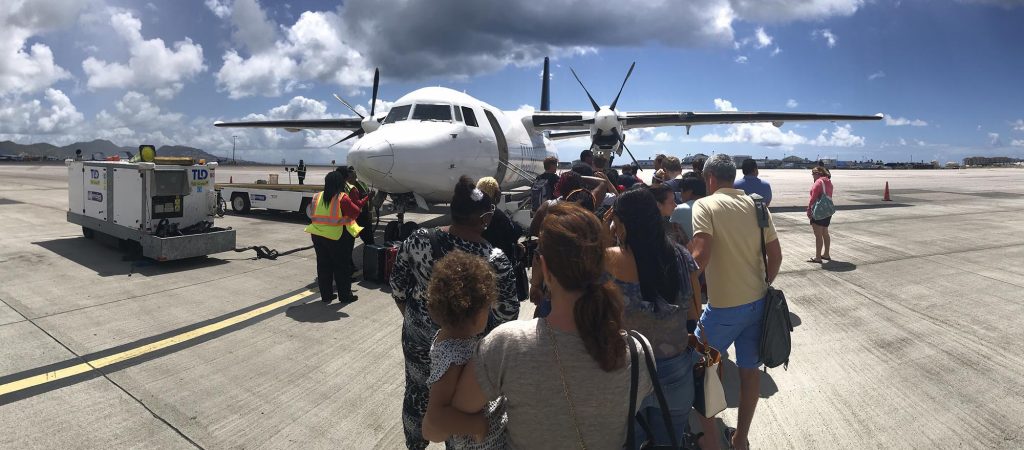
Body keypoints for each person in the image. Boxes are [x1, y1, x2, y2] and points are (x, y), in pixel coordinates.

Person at [450, 202, 652, 449]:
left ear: (545, 268)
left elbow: (459, 410)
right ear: (602, 261)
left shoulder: (506, 345)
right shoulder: (638, 351)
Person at [390, 176, 520, 450]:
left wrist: (419, 324)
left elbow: (398, 288)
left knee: (416, 393)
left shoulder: (419, 239)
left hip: (418, 341)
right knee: (459, 410)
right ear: (485, 218)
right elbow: (508, 315)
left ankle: (415, 445)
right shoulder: (495, 259)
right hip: (467, 353)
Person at [689, 154, 783, 450]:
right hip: (757, 304)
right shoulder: (757, 205)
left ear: (710, 179)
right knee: (749, 370)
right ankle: (740, 439)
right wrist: (763, 284)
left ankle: (711, 442)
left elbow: (699, 258)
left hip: (723, 310)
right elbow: (776, 255)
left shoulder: (705, 205)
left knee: (699, 367)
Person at [606, 188, 703, 445]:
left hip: (626, 371)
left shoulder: (608, 261)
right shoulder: (682, 256)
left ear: (622, 223)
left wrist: (608, 233)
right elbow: (695, 313)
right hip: (675, 369)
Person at [421, 251, 508, 448]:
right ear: (476, 315)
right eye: (487, 308)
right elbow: (436, 416)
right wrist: (477, 425)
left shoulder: (449, 338)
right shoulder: (454, 355)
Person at [305, 169, 367, 304]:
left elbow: (312, 213)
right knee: (341, 267)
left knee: (323, 266)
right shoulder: (342, 197)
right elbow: (355, 212)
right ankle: (345, 296)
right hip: (336, 237)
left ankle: (326, 295)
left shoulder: (316, 196)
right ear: (340, 183)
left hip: (317, 235)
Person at [477, 177, 528, 301]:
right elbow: (513, 232)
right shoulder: (496, 214)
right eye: (498, 190)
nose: (500, 193)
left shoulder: (475, 212)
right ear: (494, 193)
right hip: (501, 266)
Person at [807, 166, 834, 263]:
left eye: (813, 173)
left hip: (818, 211)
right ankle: (826, 254)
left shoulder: (818, 182)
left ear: (818, 173)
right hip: (827, 211)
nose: (812, 175)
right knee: (825, 233)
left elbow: (813, 198)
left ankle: (818, 257)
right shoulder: (829, 182)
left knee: (818, 235)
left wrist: (809, 210)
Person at [669, 176, 707, 242]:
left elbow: (675, 236)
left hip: (688, 250)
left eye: (682, 192)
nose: (681, 195)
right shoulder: (713, 206)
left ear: (689, 192)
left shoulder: (678, 209)